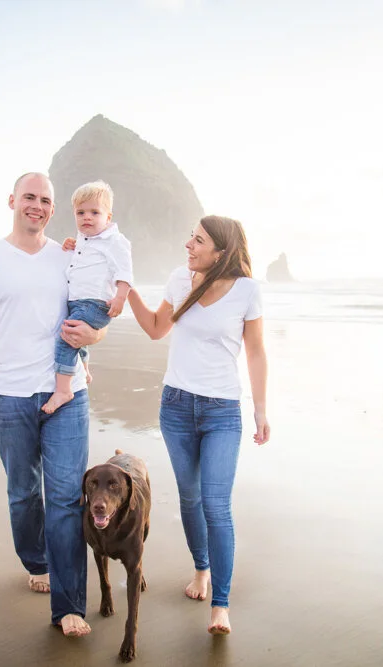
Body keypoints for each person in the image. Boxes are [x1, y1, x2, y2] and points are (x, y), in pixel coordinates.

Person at [0, 172, 105, 638]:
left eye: (46, 201)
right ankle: (36, 560)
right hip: (11, 397)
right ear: (12, 201)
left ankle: (69, 605)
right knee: (23, 493)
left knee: (65, 498)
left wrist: (93, 340)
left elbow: (93, 316)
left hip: (67, 393)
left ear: (53, 210)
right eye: (29, 197)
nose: (37, 206)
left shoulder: (70, 257)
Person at [126, 215, 270, 636]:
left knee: (215, 504)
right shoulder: (179, 279)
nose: (188, 244)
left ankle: (220, 605)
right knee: (189, 499)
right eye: (190, 236)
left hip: (222, 411)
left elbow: (257, 353)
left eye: (198, 240)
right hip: (175, 406)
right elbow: (156, 329)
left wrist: (260, 409)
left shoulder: (247, 291)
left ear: (220, 252)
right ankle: (201, 570)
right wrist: (126, 289)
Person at [42, 180, 133, 414]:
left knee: (68, 335)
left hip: (96, 303)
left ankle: (63, 389)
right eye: (80, 213)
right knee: (78, 341)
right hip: (78, 301)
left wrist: (120, 297)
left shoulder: (115, 241)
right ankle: (84, 368)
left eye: (95, 212)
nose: (87, 218)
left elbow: (125, 271)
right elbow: (79, 263)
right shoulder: (84, 239)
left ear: (108, 216)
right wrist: (71, 245)